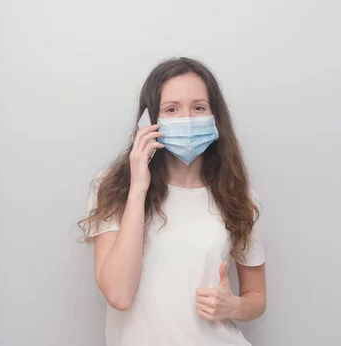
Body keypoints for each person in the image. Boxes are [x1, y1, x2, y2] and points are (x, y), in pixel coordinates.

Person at [78, 57, 266, 346]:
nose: (187, 119)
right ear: (150, 120)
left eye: (199, 108)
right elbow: (118, 294)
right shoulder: (113, 189)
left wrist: (233, 306)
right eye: (172, 109)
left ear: (216, 118)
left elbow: (256, 297)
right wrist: (138, 188)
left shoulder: (238, 196)